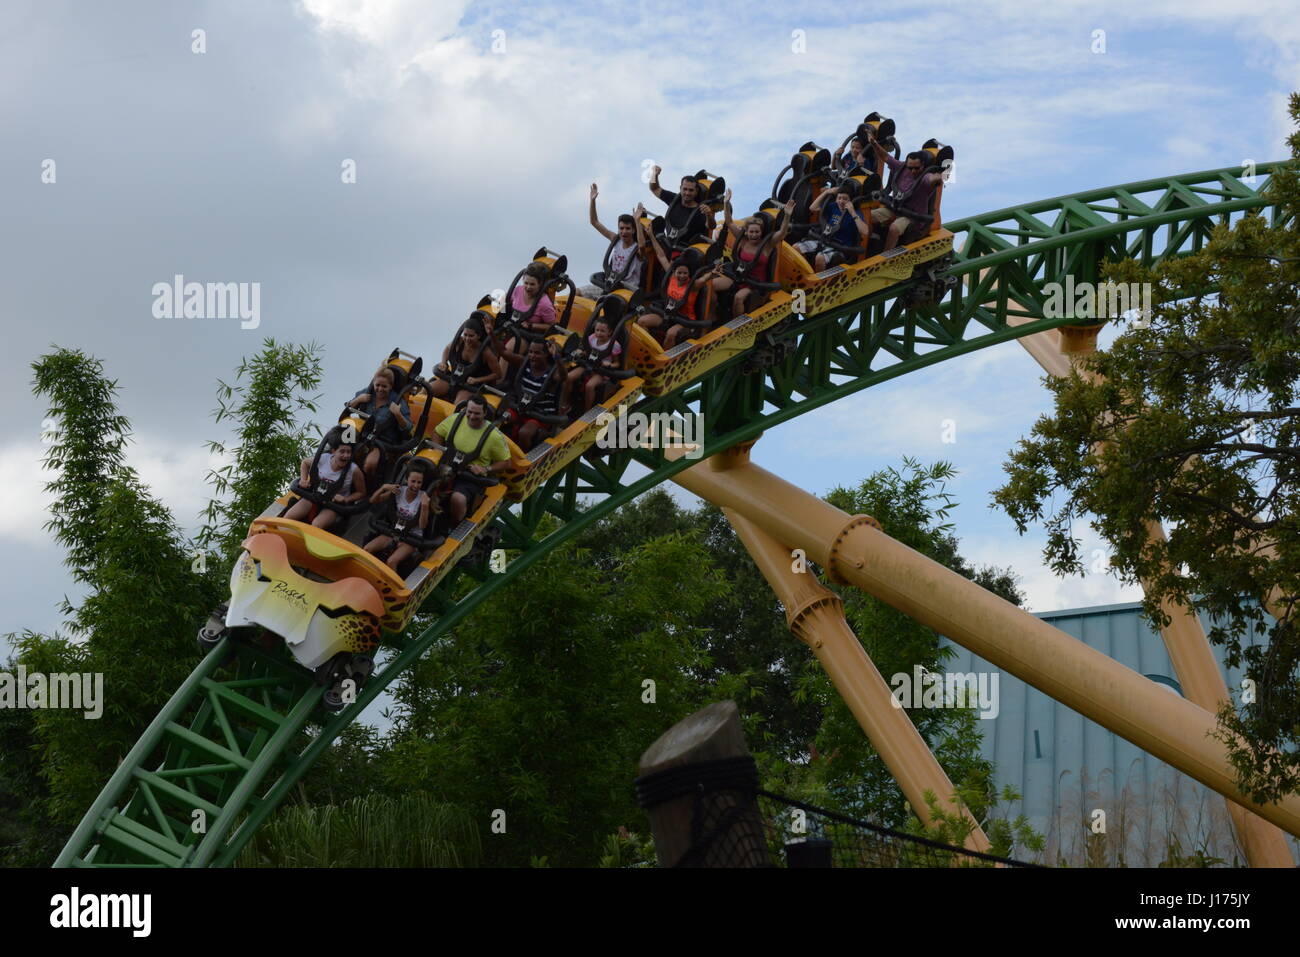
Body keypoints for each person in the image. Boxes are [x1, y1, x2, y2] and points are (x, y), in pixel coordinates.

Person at [428, 395, 512, 525]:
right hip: (446, 468)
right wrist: (438, 453)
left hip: (470, 477)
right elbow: (437, 433)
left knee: (458, 499)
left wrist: (486, 469)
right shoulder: (455, 419)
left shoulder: (494, 436)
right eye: (470, 412)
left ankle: (452, 525)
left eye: (477, 413)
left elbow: (506, 462)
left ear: (484, 413)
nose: (472, 416)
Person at [713, 191, 795, 319]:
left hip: (755, 284)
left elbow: (782, 233)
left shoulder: (767, 245)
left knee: (739, 297)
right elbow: (729, 222)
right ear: (746, 232)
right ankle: (713, 316)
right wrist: (726, 203)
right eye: (751, 232)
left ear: (761, 232)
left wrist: (787, 216)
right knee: (712, 285)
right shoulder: (743, 240)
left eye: (757, 232)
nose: (754, 235)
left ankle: (737, 326)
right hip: (738, 277)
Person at [638, 231, 721, 348]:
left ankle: (666, 358)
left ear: (689, 274)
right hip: (667, 315)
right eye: (679, 273)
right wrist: (651, 236)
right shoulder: (671, 277)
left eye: (685, 273)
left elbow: (704, 279)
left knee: (671, 334)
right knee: (642, 321)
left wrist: (712, 273)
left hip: (684, 320)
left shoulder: (693, 285)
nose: (682, 276)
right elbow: (661, 255)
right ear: (675, 272)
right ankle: (650, 349)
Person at [283, 430, 368, 530]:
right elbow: (305, 463)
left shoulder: (354, 470)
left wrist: (346, 499)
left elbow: (361, 493)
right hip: (314, 496)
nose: (346, 456)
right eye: (342, 451)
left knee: (316, 525)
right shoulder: (324, 458)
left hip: (333, 505)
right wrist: (303, 480)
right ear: (334, 451)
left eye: (348, 452)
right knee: (289, 516)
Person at [869, 142, 944, 250]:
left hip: (911, 216)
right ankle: (869, 243)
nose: (913, 171)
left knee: (894, 229)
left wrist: (940, 175)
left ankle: (886, 255)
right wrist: (874, 143)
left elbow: (932, 179)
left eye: (916, 168)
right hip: (895, 208)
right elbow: (885, 156)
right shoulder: (901, 167)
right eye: (910, 168)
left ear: (923, 165)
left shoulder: (925, 177)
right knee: (868, 216)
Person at [346, 367, 411, 487]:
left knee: (370, 464)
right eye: (378, 385)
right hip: (363, 435)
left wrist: (398, 414)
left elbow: (408, 428)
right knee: (338, 445)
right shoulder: (367, 392)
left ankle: (366, 490)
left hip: (383, 442)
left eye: (384, 386)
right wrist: (358, 400)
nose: (380, 389)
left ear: (391, 386)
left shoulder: (398, 401)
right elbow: (347, 408)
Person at [579, 185, 646, 297]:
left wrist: (638, 222)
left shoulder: (636, 249)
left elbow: (642, 246)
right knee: (577, 292)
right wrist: (592, 201)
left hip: (626, 290)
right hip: (610, 284)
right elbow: (594, 222)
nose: (624, 232)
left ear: (633, 230)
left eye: (628, 228)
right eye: (621, 228)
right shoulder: (616, 239)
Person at [365, 460, 432, 571]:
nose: (416, 485)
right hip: (393, 531)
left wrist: (425, 507)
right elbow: (373, 500)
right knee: (367, 549)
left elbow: (422, 525)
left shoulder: (423, 497)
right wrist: (384, 488)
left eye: (419, 482)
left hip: (411, 537)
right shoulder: (399, 491)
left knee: (391, 561)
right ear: (407, 480)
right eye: (413, 481)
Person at [432, 313, 504, 406]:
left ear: (478, 336)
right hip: (452, 380)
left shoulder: (486, 352)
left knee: (458, 405)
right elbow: (447, 349)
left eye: (471, 336)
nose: (467, 339)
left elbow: (498, 374)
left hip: (469, 387)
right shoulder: (459, 342)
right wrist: (443, 362)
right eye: (465, 335)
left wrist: (477, 380)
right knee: (427, 390)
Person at [793, 186, 871, 270]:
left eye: (845, 199)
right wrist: (826, 192)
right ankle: (803, 272)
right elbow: (812, 208)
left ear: (850, 201)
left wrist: (853, 213)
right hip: (825, 240)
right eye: (839, 198)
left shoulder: (855, 213)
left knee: (820, 258)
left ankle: (820, 281)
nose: (841, 201)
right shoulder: (833, 207)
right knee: (795, 248)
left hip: (840, 247)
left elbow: (865, 231)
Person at [560, 315, 625, 414]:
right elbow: (585, 349)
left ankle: (587, 410)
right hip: (588, 365)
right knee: (568, 377)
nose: (599, 333)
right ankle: (565, 403)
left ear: (610, 332)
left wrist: (609, 364)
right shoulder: (592, 338)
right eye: (597, 330)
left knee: (590, 386)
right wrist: (580, 352)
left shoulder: (614, 345)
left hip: (601, 371)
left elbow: (617, 364)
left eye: (602, 331)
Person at [509, 339, 563, 450]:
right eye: (530, 352)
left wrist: (557, 357)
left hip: (539, 414)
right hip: (521, 407)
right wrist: (491, 333)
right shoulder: (526, 364)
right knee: (501, 417)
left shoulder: (551, 374)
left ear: (546, 354)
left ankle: (523, 459)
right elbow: (503, 352)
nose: (532, 356)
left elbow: (563, 377)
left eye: (537, 353)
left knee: (524, 433)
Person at [647, 167, 714, 252]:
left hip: (686, 252)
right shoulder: (674, 199)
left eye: (691, 190)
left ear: (696, 191)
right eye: (685, 189)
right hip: (667, 246)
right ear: (680, 188)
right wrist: (655, 174)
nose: (687, 193)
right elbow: (655, 188)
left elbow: (711, 226)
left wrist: (709, 215)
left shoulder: (701, 210)